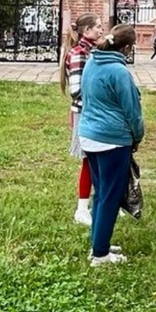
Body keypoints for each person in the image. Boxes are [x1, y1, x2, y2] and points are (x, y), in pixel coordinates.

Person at [78, 24, 145, 267]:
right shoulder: (119, 71)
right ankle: (100, 255)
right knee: (110, 197)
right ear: (127, 47)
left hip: (89, 135)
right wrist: (137, 136)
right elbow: (132, 111)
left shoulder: (92, 61)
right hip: (112, 139)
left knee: (101, 193)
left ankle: (98, 243)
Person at [60, 12, 102, 227]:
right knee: (89, 160)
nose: (101, 30)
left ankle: (100, 203)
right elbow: (76, 90)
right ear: (87, 31)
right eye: (98, 27)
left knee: (98, 159)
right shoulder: (79, 54)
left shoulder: (91, 51)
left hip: (93, 112)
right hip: (85, 112)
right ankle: (82, 209)